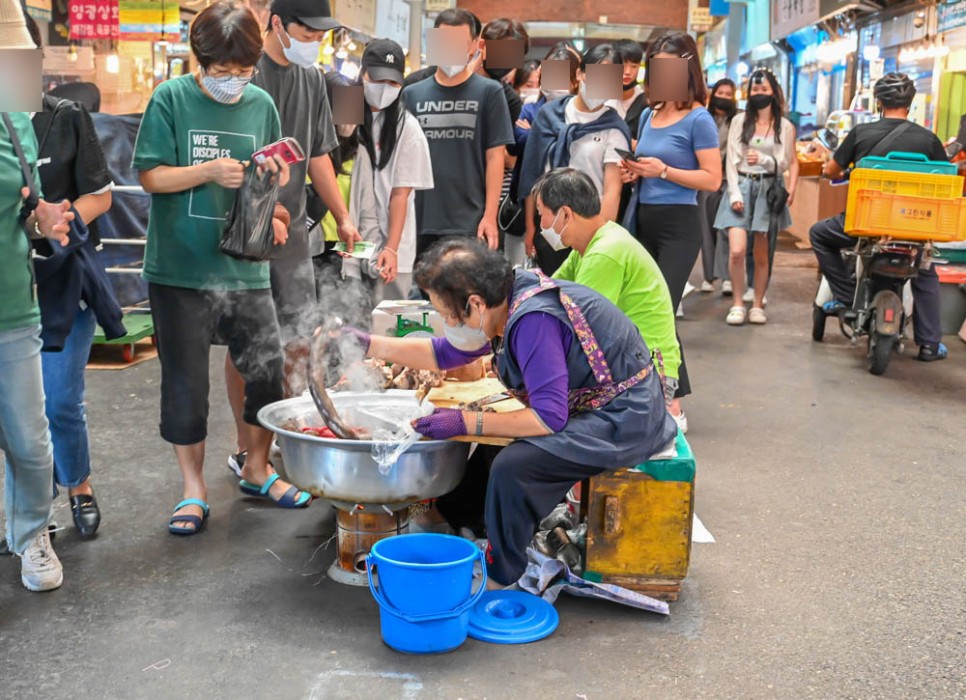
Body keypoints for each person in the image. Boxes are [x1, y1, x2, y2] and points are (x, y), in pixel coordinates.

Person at [332, 239, 675, 587]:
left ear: (476, 303)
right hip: (601, 406)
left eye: (449, 315)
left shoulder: (532, 320)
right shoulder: (504, 301)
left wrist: (463, 421)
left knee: (513, 466)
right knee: (488, 452)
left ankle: (502, 576)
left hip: (625, 417)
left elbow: (547, 418)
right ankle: (466, 527)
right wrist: (369, 343)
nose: (448, 322)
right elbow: (444, 353)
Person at [133, 1, 312, 536]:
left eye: (243, 71)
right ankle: (193, 489)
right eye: (222, 71)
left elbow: (270, 178)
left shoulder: (259, 104)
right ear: (199, 58)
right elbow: (150, 177)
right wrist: (205, 171)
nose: (234, 81)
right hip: (180, 268)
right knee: (185, 384)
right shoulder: (170, 99)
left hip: (246, 266)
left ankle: (256, 468)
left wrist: (275, 207)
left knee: (266, 372)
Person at [225, 0, 358, 476]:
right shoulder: (244, 73)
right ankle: (246, 448)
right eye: (307, 31)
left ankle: (285, 434)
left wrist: (341, 216)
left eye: (320, 35)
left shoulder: (313, 79)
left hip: (295, 230)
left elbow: (320, 153)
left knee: (301, 335)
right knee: (248, 344)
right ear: (276, 23)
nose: (313, 42)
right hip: (245, 231)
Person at [809, 72, 951, 362]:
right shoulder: (929, 139)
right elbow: (945, 179)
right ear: (910, 104)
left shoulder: (861, 134)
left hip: (865, 224)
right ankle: (929, 343)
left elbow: (832, 171)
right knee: (925, 269)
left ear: (878, 102)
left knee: (819, 233)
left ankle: (847, 297)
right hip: (913, 224)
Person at [620, 32, 721, 433]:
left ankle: (673, 404)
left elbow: (712, 179)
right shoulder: (648, 114)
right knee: (638, 310)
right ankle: (650, 396)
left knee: (659, 310)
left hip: (679, 225)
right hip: (641, 217)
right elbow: (647, 167)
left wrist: (663, 170)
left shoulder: (700, 118)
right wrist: (635, 171)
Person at [537, 168, 681, 409]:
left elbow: (577, 326)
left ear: (564, 215)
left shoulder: (605, 252)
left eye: (541, 215)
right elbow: (546, 292)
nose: (540, 225)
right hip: (626, 366)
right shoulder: (591, 244)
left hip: (642, 375)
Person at [402, 8, 514, 256]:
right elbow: (403, 160)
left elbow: (496, 158)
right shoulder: (412, 94)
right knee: (423, 293)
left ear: (474, 45)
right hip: (421, 219)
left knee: (468, 292)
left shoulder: (490, 92)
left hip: (470, 221)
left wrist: (490, 216)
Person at [518, 44, 631, 275]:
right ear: (580, 74)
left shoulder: (614, 128)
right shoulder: (548, 115)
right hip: (548, 225)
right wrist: (530, 226)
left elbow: (612, 192)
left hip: (588, 231)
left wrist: (598, 239)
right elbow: (532, 173)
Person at [345, 38, 434, 304]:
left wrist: (391, 248)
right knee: (342, 314)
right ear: (363, 74)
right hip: (347, 233)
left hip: (392, 242)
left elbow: (400, 195)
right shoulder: (345, 105)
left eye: (393, 83)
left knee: (386, 321)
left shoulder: (408, 128)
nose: (385, 88)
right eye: (378, 80)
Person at [714, 68, 798, 326]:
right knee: (737, 250)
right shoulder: (739, 121)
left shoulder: (784, 126)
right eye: (754, 90)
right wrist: (734, 192)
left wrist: (764, 159)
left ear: (774, 92)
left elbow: (785, 162)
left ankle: (758, 303)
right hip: (741, 184)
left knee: (762, 253)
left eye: (763, 90)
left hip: (767, 188)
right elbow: (730, 160)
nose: (758, 94)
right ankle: (738, 303)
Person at [702, 78, 738, 294]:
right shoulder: (703, 118)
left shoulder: (737, 120)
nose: (723, 97)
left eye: (728, 94)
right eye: (720, 93)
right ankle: (708, 276)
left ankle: (726, 277)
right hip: (705, 180)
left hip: (728, 179)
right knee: (705, 229)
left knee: (725, 227)